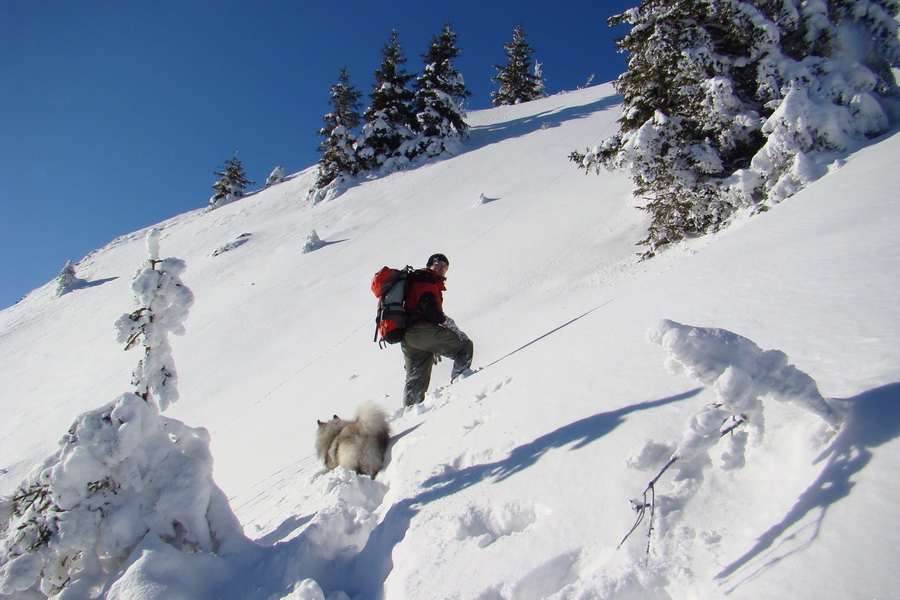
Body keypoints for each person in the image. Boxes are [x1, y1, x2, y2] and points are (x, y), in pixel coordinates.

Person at [401, 253, 474, 406]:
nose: (441, 269)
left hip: (407, 336)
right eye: (438, 264)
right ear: (430, 265)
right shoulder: (426, 278)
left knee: (416, 378)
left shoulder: (418, 280)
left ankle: (409, 411)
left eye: (445, 267)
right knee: (464, 346)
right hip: (421, 330)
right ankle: (462, 382)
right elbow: (430, 308)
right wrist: (448, 323)